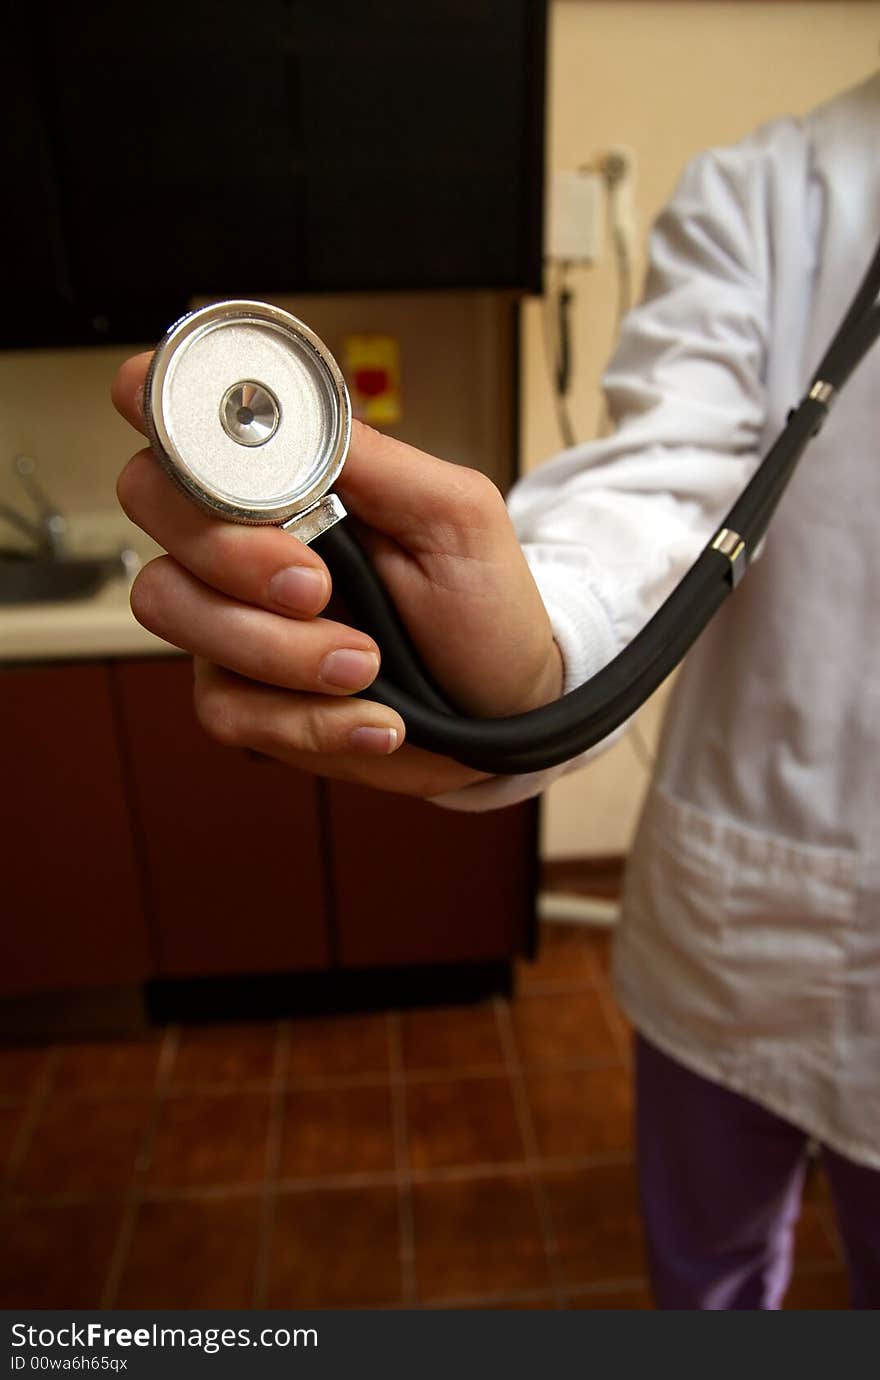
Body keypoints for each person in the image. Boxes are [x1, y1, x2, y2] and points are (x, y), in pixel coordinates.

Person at [112, 71, 880, 1308]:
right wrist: (529, 661)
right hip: (740, 927)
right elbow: (659, 480)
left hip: (743, 909)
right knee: (706, 1284)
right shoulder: (768, 191)